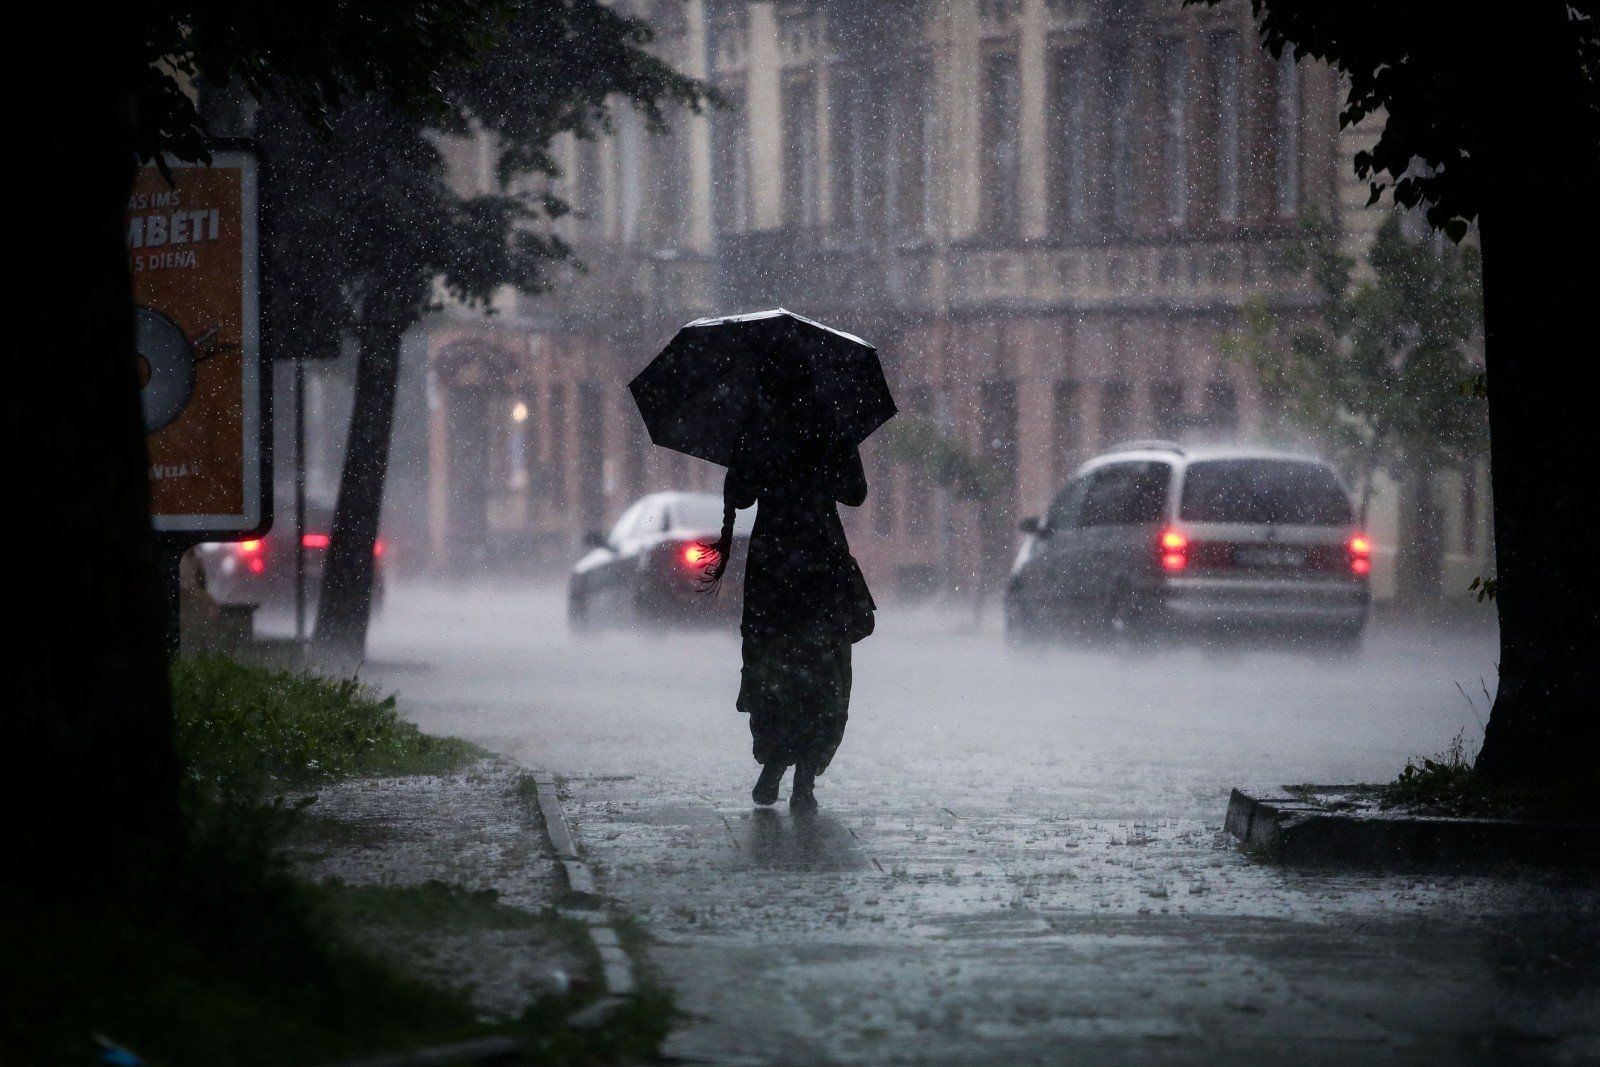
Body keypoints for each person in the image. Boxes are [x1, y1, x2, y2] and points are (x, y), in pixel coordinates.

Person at [702, 382, 875, 813]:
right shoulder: (829, 424)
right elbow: (855, 492)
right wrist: (834, 450)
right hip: (820, 564)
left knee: (773, 670)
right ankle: (802, 779)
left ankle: (777, 764)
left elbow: (740, 496)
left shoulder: (760, 425)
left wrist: (748, 453)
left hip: (775, 569)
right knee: (823, 676)